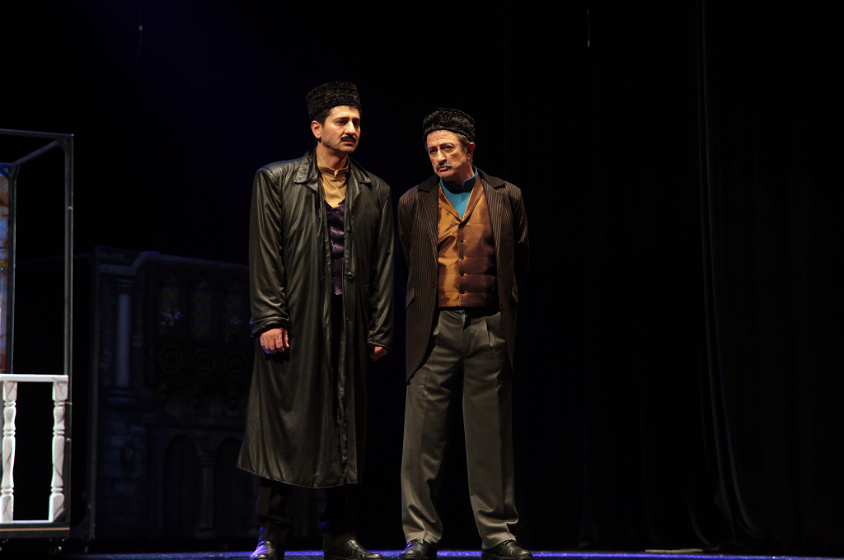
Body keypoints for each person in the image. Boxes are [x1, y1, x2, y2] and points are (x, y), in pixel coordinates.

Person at [238, 82, 394, 560]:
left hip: (351, 321)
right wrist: (269, 317)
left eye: (357, 122)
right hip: (295, 318)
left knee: (346, 425)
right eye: (341, 121)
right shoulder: (276, 179)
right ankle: (272, 534)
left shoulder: (375, 190)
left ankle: (341, 534)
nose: (351, 129)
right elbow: (266, 254)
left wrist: (380, 328)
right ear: (316, 128)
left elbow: (384, 265)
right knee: (281, 423)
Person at [397, 109, 530, 560]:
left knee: (491, 438)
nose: (439, 157)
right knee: (421, 439)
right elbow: (407, 261)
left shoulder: (506, 196)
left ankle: (498, 534)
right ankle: (420, 535)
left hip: (488, 325)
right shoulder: (413, 200)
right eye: (432, 150)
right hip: (433, 328)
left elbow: (519, 259)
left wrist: (500, 311)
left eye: (447, 148)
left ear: (469, 149)